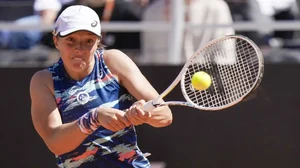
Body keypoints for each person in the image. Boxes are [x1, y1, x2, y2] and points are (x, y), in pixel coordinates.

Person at [29, 5, 172, 168]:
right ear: (56, 41)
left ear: (98, 42)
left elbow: (165, 115)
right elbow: (56, 143)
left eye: (88, 41)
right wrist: (94, 118)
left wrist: (144, 114)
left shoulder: (114, 61)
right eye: (71, 40)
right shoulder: (44, 81)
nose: (79, 49)